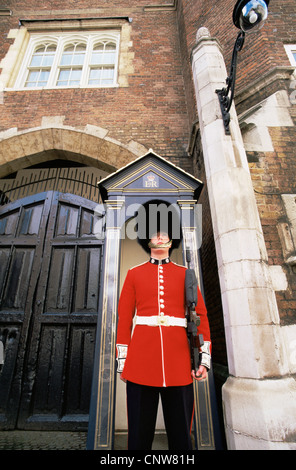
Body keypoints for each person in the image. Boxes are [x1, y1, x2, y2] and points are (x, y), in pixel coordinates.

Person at [116, 230, 211, 450]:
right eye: (154, 234)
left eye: (164, 233)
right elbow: (124, 319)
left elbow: (200, 317)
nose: (159, 237)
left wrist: (203, 358)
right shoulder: (134, 273)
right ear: (147, 241)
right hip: (141, 362)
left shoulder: (186, 274)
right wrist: (123, 361)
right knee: (139, 437)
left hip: (179, 362)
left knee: (181, 436)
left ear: (171, 241)